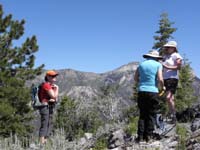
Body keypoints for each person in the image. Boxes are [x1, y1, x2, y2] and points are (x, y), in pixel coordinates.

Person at [134, 50, 165, 142]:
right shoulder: (158, 65)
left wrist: (143, 83)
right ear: (156, 58)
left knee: (142, 114)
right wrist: (162, 87)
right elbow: (160, 78)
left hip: (141, 91)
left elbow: (135, 78)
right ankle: (148, 136)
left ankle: (140, 137)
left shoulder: (141, 65)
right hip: (153, 91)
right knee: (151, 114)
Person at [162, 41, 182, 123]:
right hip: (166, 78)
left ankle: (173, 115)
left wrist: (166, 66)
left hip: (172, 78)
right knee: (171, 98)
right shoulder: (166, 56)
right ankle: (173, 117)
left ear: (173, 48)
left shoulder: (176, 55)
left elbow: (179, 67)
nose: (167, 48)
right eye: (167, 47)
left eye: (169, 47)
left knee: (168, 97)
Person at [38, 70, 59, 144]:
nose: (54, 77)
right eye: (52, 76)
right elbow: (54, 96)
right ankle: (41, 144)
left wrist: (53, 97)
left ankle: (45, 142)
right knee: (44, 124)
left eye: (55, 76)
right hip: (44, 107)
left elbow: (54, 98)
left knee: (49, 124)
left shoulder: (50, 86)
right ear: (48, 77)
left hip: (49, 106)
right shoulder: (46, 85)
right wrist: (57, 89)